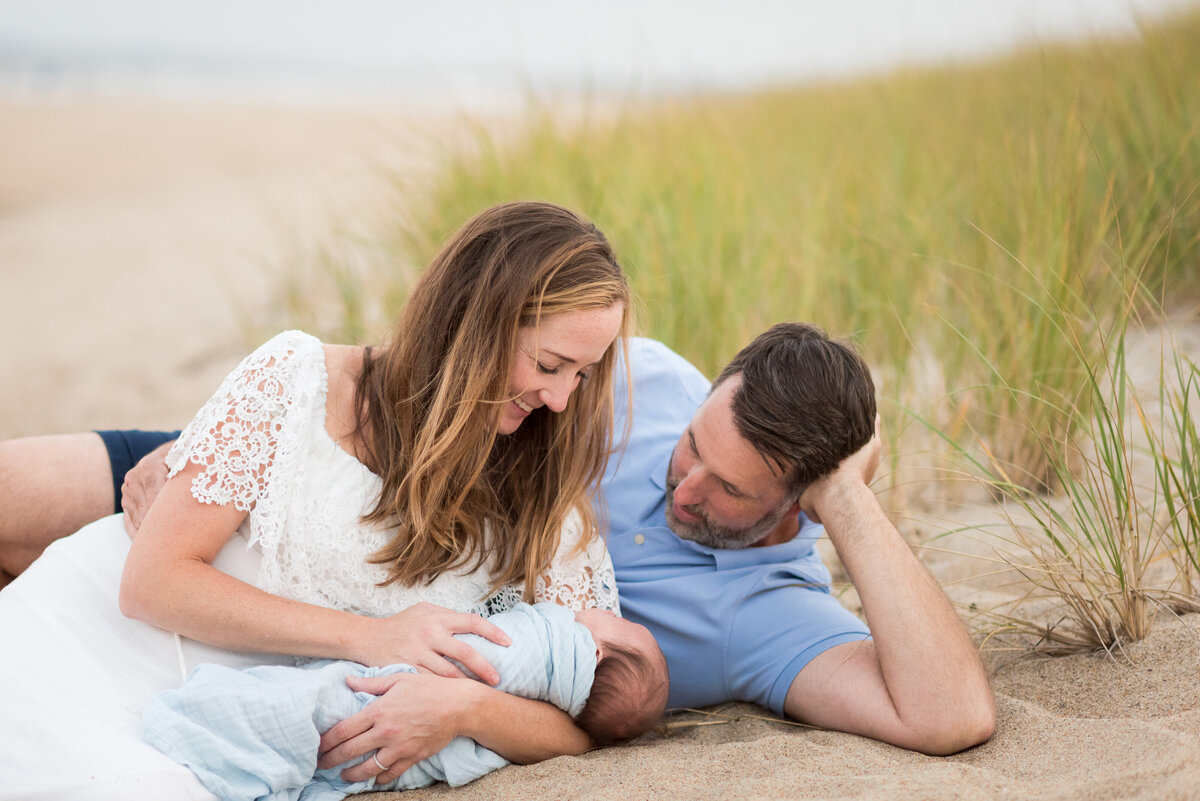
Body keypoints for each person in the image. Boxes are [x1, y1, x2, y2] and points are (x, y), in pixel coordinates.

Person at [2, 323, 996, 779]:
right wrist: (221, 435)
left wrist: (854, 506)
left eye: (727, 490)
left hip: (365, 614)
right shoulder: (637, 377)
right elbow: (437, 371)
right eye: (695, 445)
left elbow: (950, 717)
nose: (680, 483)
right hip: (304, 501)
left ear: (800, 502)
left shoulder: (771, 621)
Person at [0, 200, 634, 800]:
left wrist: (464, 708)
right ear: (474, 323)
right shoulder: (296, 381)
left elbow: (588, 720)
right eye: (550, 365)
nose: (561, 399)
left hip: (258, 736)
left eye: (583, 374)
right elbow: (151, 582)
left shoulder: (543, 490)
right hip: (115, 654)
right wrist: (370, 637)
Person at [143, 602, 668, 800]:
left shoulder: (558, 646)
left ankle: (225, 731)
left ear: (593, 649)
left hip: (379, 694)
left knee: (325, 712)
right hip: (236, 640)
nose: (596, 610)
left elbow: (577, 730)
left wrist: (462, 705)